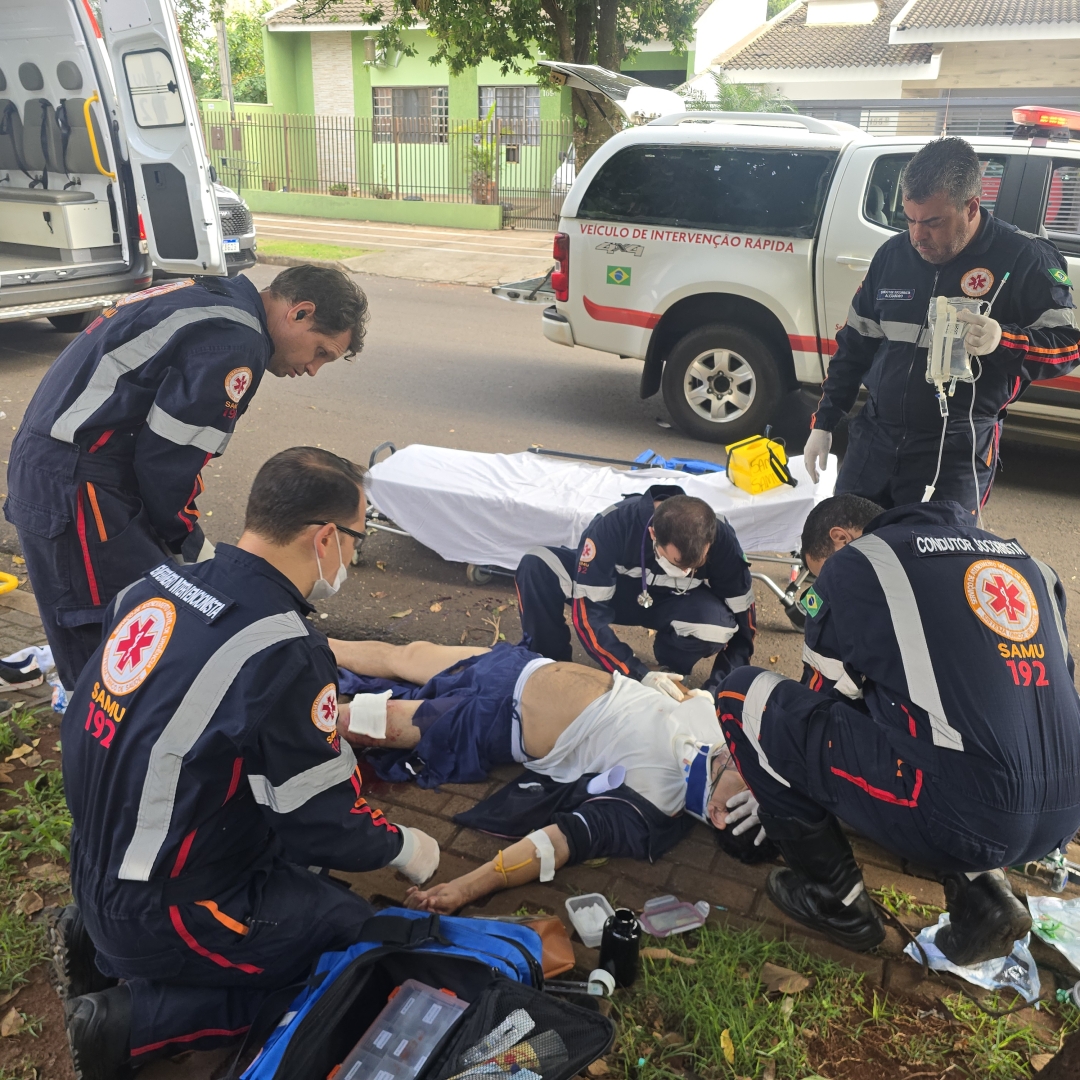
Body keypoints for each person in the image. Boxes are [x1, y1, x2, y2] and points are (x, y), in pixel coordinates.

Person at [54, 448, 439, 1080]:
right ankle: (130, 1024)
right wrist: (403, 846)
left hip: (100, 859)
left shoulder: (155, 584)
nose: (354, 556)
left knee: (294, 877)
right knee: (353, 945)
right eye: (357, 539)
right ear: (324, 538)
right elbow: (320, 820)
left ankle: (93, 939)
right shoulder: (283, 645)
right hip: (169, 905)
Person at [715, 493, 1080, 964]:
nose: (821, 584)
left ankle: (837, 901)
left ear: (841, 540)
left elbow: (819, 700)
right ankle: (983, 891)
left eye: (818, 570)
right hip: (1064, 811)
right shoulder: (1028, 563)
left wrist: (766, 773)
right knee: (957, 730)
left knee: (744, 697)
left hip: (962, 811)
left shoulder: (858, 564)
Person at [4, 265, 369, 694]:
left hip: (64, 467)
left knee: (129, 621)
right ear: (301, 313)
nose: (312, 370)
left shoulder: (208, 293)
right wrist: (188, 542)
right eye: (321, 352)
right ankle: (101, 749)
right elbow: (170, 460)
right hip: (79, 485)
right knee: (112, 648)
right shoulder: (237, 338)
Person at [330, 638, 767, 914]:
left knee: (368, 720)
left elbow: (555, 845)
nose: (743, 762)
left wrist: (466, 888)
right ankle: (297, 641)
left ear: (717, 812)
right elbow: (681, 696)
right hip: (522, 667)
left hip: (496, 720)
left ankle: (281, 725)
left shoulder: (655, 801)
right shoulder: (724, 730)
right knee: (402, 655)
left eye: (742, 777)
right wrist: (654, 683)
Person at [803, 137, 1080, 513]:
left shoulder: (1026, 257)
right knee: (848, 555)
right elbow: (855, 344)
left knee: (935, 566)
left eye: (933, 222)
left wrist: (1005, 340)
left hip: (956, 449)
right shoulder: (894, 254)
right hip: (875, 439)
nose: (918, 235)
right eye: (910, 219)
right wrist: (825, 421)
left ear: (970, 207)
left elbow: (1068, 346)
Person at [514, 489, 755, 698]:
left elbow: (744, 624)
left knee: (719, 626)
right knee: (537, 563)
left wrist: (717, 691)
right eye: (677, 562)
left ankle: (671, 668)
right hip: (613, 596)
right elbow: (589, 617)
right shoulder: (612, 524)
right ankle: (549, 666)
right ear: (653, 534)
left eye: (695, 564)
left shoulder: (722, 536)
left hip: (676, 601)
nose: (686, 571)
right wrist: (635, 672)